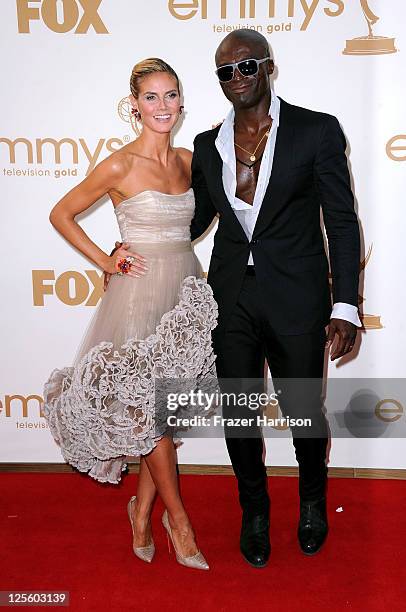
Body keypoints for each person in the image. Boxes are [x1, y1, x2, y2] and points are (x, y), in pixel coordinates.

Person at [112, 30, 361, 568]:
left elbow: (341, 222)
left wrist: (346, 305)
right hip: (229, 298)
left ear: (268, 67)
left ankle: (312, 503)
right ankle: (254, 511)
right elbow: (195, 219)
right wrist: (139, 235)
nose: (236, 78)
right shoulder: (207, 145)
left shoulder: (316, 131)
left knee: (302, 410)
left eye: (246, 66)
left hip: (298, 295)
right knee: (239, 413)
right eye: (224, 71)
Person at [42, 58, 218, 571]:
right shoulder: (119, 164)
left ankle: (142, 512)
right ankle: (178, 521)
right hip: (138, 295)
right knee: (149, 409)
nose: (162, 106)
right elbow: (61, 213)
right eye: (151, 97)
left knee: (162, 410)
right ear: (134, 105)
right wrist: (106, 259)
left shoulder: (188, 160)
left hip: (184, 290)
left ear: (181, 102)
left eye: (170, 96)